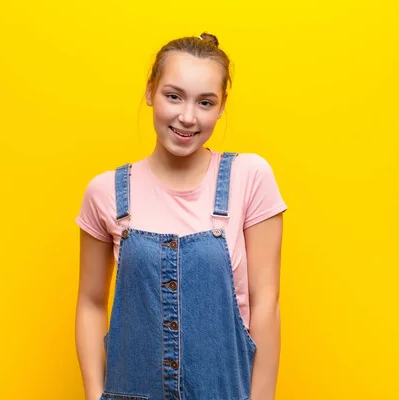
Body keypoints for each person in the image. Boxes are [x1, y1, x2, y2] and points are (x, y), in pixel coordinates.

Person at [75, 32, 287, 400]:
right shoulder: (105, 191)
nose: (187, 117)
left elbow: (266, 300)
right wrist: (95, 395)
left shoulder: (249, 177)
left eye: (205, 102)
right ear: (149, 92)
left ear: (221, 107)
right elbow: (91, 303)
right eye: (173, 96)